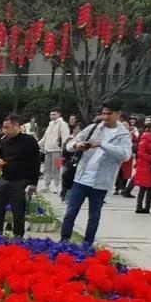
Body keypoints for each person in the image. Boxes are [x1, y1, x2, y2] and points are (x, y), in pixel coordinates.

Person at [60, 99, 134, 247]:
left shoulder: (123, 135)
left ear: (118, 114)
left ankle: (87, 245)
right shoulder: (94, 128)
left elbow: (125, 155)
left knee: (94, 217)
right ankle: (63, 242)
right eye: (103, 113)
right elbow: (69, 145)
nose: (105, 117)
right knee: (70, 213)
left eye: (109, 114)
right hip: (81, 178)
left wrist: (103, 145)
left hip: (101, 182)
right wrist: (77, 145)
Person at [0, 112, 41, 236]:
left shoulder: (29, 141)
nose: (4, 130)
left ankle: (18, 237)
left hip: (20, 181)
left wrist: (34, 183)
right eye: (3, 127)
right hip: (5, 178)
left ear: (16, 126)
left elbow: (36, 162)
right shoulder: (5, 142)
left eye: (7, 127)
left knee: (18, 212)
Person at [39, 106, 70, 192]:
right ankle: (46, 186)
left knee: (56, 168)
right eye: (51, 114)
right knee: (46, 169)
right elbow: (45, 138)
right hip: (48, 150)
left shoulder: (63, 124)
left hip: (57, 150)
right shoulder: (50, 124)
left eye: (54, 114)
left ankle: (57, 186)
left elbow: (65, 138)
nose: (52, 116)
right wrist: (37, 145)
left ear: (59, 114)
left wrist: (64, 150)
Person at [134, 119, 151, 215]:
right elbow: (140, 152)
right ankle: (139, 207)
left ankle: (148, 206)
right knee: (143, 187)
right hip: (145, 164)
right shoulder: (146, 138)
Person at [60, 114, 83, 198]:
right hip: (67, 159)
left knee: (71, 178)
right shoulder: (69, 137)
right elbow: (64, 149)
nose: (76, 130)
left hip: (76, 162)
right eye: (76, 129)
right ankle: (63, 194)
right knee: (65, 176)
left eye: (79, 129)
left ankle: (68, 196)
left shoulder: (83, 140)